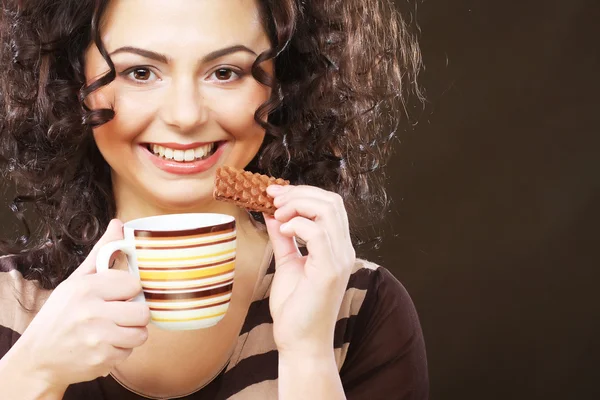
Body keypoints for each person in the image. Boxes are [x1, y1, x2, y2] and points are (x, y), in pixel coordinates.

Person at [0, 0, 428, 398]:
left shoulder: (360, 309)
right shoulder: (8, 305)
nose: (185, 116)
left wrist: (308, 354)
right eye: (140, 72)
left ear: (284, 83)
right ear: (73, 81)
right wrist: (33, 373)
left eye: (225, 72)